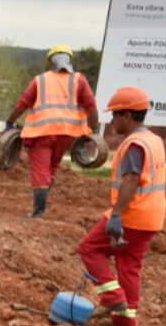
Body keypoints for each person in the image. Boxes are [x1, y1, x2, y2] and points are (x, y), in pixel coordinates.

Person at [76, 86, 165, 326]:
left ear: (127, 116)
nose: (112, 120)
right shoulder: (153, 140)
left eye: (115, 115)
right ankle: (125, 323)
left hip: (132, 215)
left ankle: (113, 299)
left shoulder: (135, 144)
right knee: (129, 265)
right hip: (151, 217)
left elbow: (131, 180)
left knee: (89, 248)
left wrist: (116, 215)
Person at [6, 45, 99, 217]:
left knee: (41, 170)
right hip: (67, 133)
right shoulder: (79, 80)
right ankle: (41, 205)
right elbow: (91, 105)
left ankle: (39, 211)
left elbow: (23, 103)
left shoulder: (40, 80)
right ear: (70, 60)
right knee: (52, 167)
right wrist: (95, 128)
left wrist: (10, 122)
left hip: (41, 132)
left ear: (50, 63)